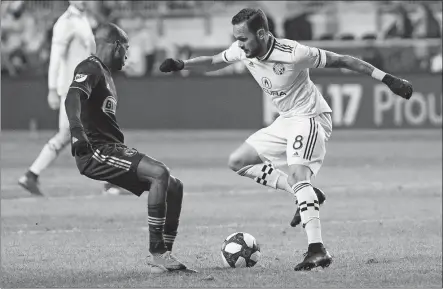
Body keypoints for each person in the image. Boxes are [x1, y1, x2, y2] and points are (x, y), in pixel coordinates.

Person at [159, 8, 413, 271]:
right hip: (286, 120)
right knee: (238, 161)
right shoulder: (242, 49)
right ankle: (304, 194)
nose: (239, 44)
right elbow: (215, 61)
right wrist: (182, 65)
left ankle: (317, 249)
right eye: (237, 38)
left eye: (243, 38)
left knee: (298, 175)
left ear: (261, 33)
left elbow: (344, 60)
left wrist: (388, 79)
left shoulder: (293, 53)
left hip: (310, 117)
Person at [64, 22, 193, 274]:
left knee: (174, 187)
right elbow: (72, 96)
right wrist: (77, 133)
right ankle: (157, 253)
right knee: (159, 173)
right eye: (126, 48)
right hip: (96, 150)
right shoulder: (90, 67)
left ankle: (165, 255)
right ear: (115, 45)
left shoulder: (105, 74)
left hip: (112, 148)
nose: (127, 54)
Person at [18, 1, 125, 196]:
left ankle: (31, 175)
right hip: (73, 87)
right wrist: (52, 89)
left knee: (67, 134)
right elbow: (56, 57)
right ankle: (111, 182)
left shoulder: (83, 19)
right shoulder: (65, 23)